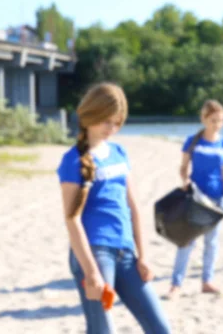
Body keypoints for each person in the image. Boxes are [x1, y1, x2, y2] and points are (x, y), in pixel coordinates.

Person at [57, 82, 170, 334]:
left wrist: (143, 255)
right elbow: (71, 219)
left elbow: (134, 207)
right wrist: (91, 271)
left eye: (117, 122)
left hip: (126, 254)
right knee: (102, 330)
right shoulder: (72, 161)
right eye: (107, 121)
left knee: (161, 328)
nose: (113, 128)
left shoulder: (119, 152)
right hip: (95, 255)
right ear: (91, 115)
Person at [166, 100, 223, 299]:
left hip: (217, 200)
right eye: (213, 120)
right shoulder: (193, 141)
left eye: (220, 120)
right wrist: (185, 181)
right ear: (204, 119)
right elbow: (183, 167)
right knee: (186, 242)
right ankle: (176, 284)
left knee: (211, 243)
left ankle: (207, 281)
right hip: (195, 200)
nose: (217, 124)